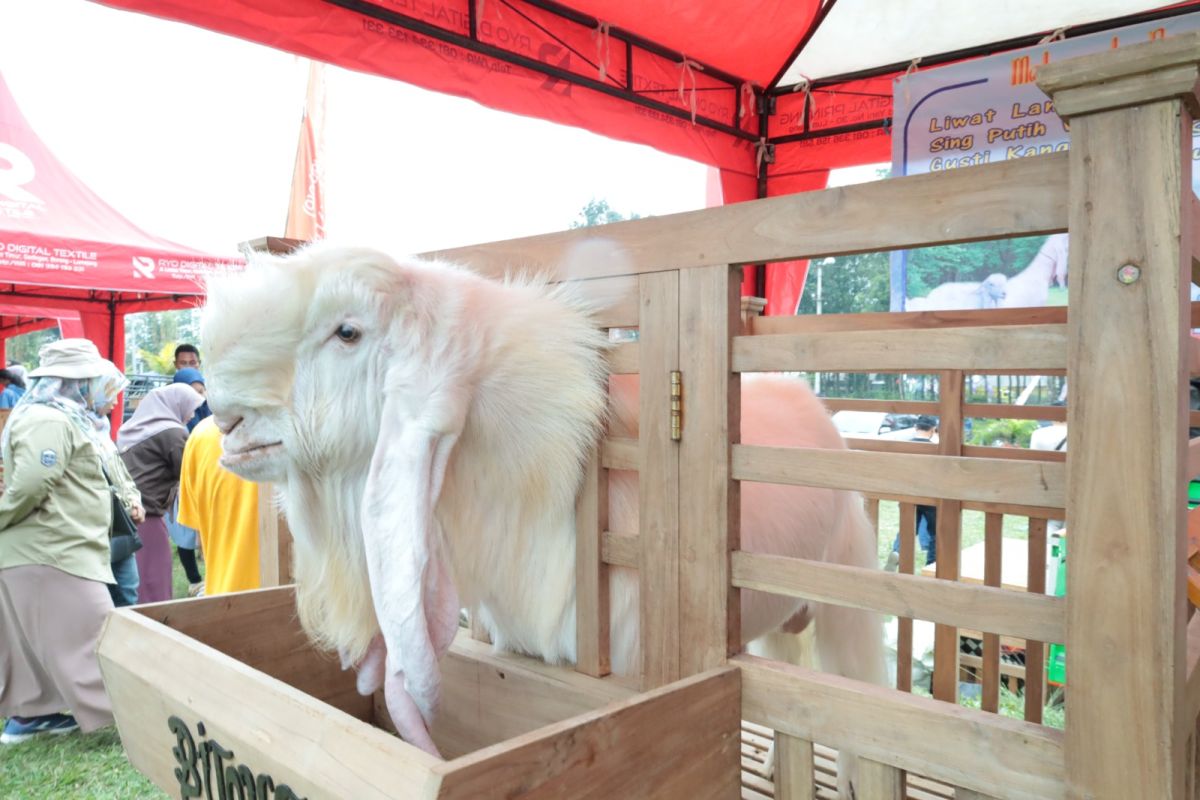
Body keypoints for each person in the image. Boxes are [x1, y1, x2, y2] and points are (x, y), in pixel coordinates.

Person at [0, 339, 125, 743]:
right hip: (52, 549)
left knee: (38, 643)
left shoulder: (56, 416)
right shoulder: (49, 420)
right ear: (76, 382)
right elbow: (34, 482)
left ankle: (34, 716)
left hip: (49, 548)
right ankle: (123, 714)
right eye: (95, 381)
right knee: (96, 636)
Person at [117, 384, 204, 603]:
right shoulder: (172, 433)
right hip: (147, 515)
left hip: (128, 512)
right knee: (153, 576)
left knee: (138, 573)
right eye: (190, 408)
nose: (192, 414)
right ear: (176, 405)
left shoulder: (137, 427)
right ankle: (156, 621)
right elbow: (189, 473)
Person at [178, 416, 261, 595]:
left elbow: (199, 533)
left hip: (222, 596)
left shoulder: (200, 434)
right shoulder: (304, 425)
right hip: (292, 603)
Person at [167, 369, 209, 595]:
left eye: (201, 392)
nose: (198, 399)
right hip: (179, 485)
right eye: (192, 394)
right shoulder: (174, 424)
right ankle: (194, 580)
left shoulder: (209, 416)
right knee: (185, 533)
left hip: (205, 481)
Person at [886, 415, 939, 571]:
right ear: (933, 429)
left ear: (916, 428)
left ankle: (897, 552)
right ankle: (932, 564)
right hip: (929, 496)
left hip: (907, 494)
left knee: (906, 528)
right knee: (935, 533)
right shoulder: (935, 449)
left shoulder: (905, 447)